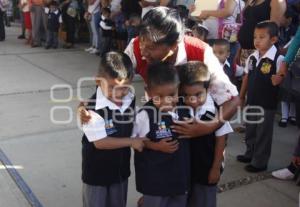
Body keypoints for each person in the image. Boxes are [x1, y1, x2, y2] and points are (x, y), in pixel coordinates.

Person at [124, 7, 240, 139]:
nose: (143, 52)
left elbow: (232, 100)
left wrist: (209, 127)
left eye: (151, 48)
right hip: (161, 128)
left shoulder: (201, 52)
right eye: (142, 43)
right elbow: (112, 80)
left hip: (199, 128)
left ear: (174, 45)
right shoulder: (135, 47)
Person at [81, 51, 146, 207]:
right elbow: (100, 143)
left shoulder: (129, 97)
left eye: (124, 88)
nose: (119, 93)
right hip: (97, 174)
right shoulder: (91, 108)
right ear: (98, 81)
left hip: (120, 171)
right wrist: (132, 141)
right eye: (112, 87)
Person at [132, 62, 190, 207]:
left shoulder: (185, 110)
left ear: (179, 89)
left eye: (172, 95)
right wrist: (156, 146)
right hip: (155, 180)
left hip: (179, 177)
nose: (167, 101)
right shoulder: (145, 115)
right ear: (148, 92)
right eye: (159, 97)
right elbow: (134, 141)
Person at [177, 61, 233, 207]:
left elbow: (221, 139)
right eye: (187, 95)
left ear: (208, 89)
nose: (193, 100)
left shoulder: (216, 111)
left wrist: (215, 168)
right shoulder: (178, 107)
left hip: (206, 169)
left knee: (205, 201)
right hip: (184, 171)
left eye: (198, 94)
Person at [237, 21, 284, 172]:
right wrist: (242, 96)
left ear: (273, 40)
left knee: (263, 133)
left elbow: (283, 76)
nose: (257, 40)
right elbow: (246, 77)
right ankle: (250, 153)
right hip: (252, 101)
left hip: (267, 103)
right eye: (255, 37)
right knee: (250, 129)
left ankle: (260, 162)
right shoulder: (252, 56)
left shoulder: (278, 58)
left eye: (262, 37)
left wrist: (280, 78)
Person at [237, 0, 286, 68]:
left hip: (261, 52)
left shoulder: (276, 1)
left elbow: (273, 28)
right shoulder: (253, 1)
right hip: (245, 50)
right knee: (246, 76)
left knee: (259, 77)